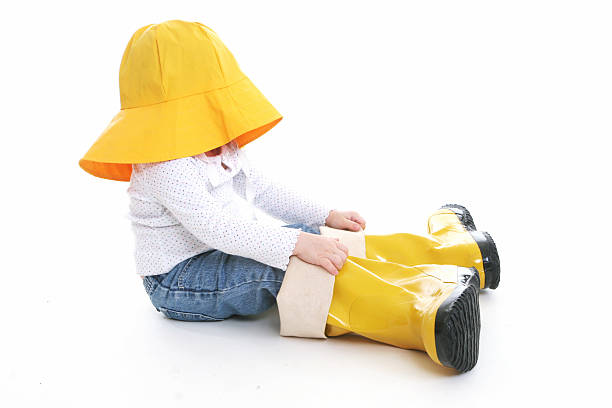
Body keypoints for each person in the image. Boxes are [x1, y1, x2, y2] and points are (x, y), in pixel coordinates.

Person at [79, 20, 499, 372]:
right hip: (179, 281)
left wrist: (325, 216)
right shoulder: (162, 166)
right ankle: (425, 317)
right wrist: (299, 244)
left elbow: (263, 190)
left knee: (319, 243)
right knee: (294, 265)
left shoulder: (218, 146)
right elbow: (218, 229)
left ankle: (458, 254)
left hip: (218, 252)